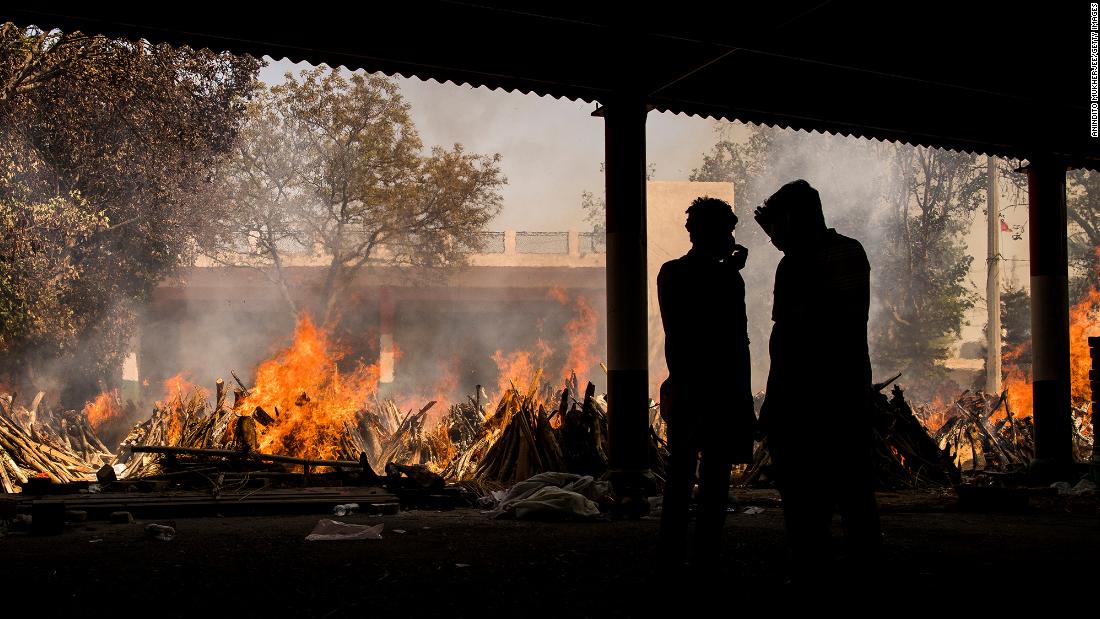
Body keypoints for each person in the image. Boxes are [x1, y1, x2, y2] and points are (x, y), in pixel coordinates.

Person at [754, 179, 881, 585]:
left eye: (778, 226)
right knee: (846, 490)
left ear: (794, 219)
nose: (774, 237)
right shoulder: (844, 253)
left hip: (814, 398)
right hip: (840, 393)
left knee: (813, 493)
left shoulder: (805, 262)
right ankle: (852, 568)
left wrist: (775, 400)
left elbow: (796, 335)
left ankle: (819, 569)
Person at [656, 196, 755, 572]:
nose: (731, 238)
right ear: (715, 234)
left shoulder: (670, 273)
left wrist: (727, 270)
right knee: (714, 480)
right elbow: (729, 337)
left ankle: (671, 554)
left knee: (680, 475)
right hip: (717, 392)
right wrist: (729, 272)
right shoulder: (725, 279)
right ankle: (705, 557)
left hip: (685, 389)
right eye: (728, 231)